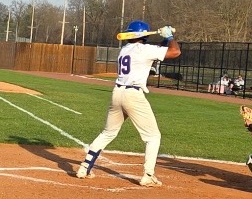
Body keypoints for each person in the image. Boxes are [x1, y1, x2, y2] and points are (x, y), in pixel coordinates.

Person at [76, 21, 181, 186]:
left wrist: (164, 39)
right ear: (144, 36)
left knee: (108, 133)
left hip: (117, 93)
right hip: (133, 95)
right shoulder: (145, 50)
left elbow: (155, 50)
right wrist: (170, 36)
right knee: (153, 136)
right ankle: (148, 175)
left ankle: (85, 167)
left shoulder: (125, 50)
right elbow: (175, 52)